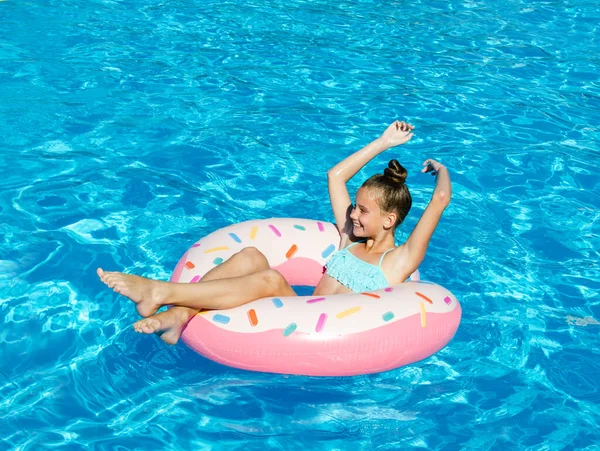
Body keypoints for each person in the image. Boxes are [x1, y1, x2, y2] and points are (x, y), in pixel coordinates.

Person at [97, 120, 452, 345]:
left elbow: (439, 200)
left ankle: (160, 291)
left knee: (267, 278)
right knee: (251, 256)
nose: (353, 214)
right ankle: (178, 314)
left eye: (363, 210)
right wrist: (383, 142)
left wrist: (441, 169)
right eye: (355, 206)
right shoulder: (350, 237)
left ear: (389, 220)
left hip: (320, 330)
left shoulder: (399, 260)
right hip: (297, 309)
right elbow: (335, 176)